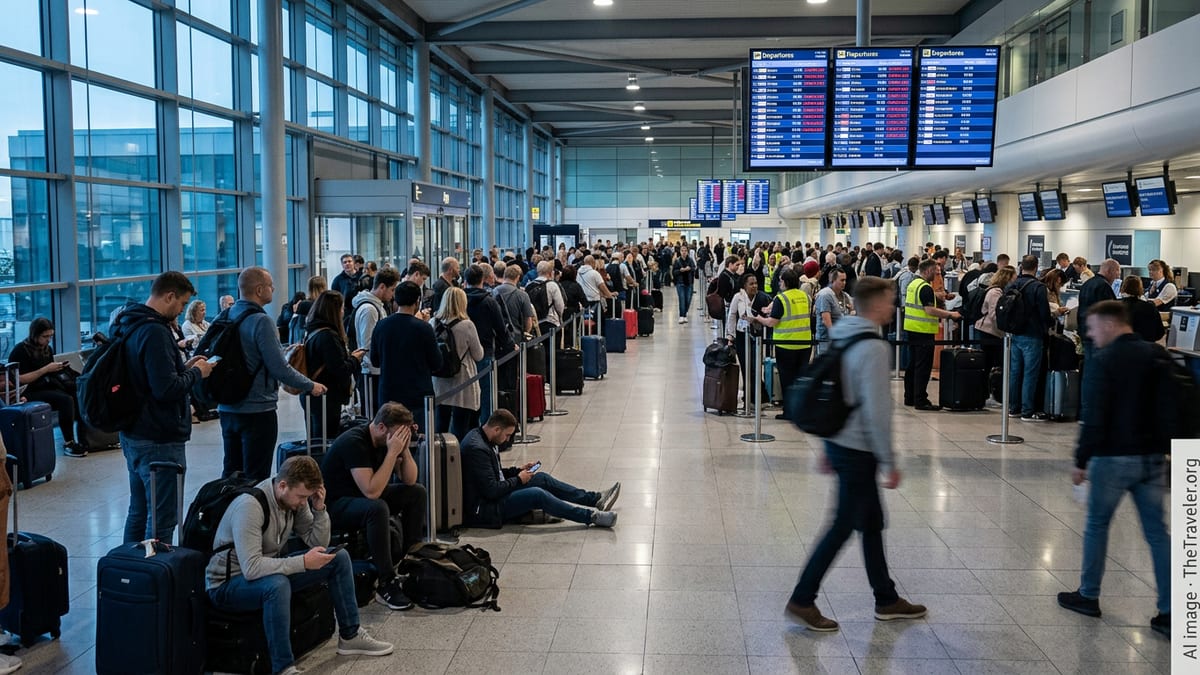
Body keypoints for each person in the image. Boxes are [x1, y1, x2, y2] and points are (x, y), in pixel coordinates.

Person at [785, 277, 925, 631]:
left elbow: (835, 392)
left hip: (840, 441)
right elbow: (877, 412)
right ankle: (803, 598)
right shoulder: (874, 348)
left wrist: (828, 445)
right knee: (842, 525)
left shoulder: (844, 334)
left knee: (871, 522)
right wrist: (889, 461)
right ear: (875, 304)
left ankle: (886, 598)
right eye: (889, 300)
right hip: (858, 449)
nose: (893, 307)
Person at [205, 456, 393, 675]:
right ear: (282, 485)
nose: (304, 503)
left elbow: (318, 543)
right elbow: (252, 568)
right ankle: (283, 668)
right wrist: (303, 562)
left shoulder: (293, 500)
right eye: (302, 497)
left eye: (307, 497)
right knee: (277, 585)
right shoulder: (250, 507)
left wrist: (320, 509)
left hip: (268, 571)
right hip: (228, 585)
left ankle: (350, 636)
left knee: (337, 557)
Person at [1057, 300, 1170, 639]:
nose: (1090, 335)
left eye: (1092, 328)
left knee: (1097, 524)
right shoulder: (1156, 355)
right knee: (1157, 534)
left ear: (1109, 324)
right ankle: (1170, 611)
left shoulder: (1105, 361)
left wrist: (1081, 460)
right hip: (1152, 457)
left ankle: (1088, 595)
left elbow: (1095, 417)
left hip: (1113, 457)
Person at [114, 272, 215, 543]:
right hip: (159, 438)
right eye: (182, 303)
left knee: (138, 511)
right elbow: (166, 390)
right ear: (169, 296)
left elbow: (150, 377)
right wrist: (198, 373)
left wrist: (184, 368)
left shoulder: (130, 323)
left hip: (134, 431)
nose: (182, 310)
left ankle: (131, 562)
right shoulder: (155, 332)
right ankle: (156, 565)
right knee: (162, 518)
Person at [220, 267, 327, 481]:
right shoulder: (262, 321)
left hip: (228, 407)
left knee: (231, 472)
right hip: (257, 409)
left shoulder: (225, 316)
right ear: (259, 290)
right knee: (256, 475)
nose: (274, 289)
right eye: (270, 285)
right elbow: (279, 368)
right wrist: (311, 385)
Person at [322, 403, 426, 611]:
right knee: (377, 507)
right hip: (335, 505)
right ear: (380, 427)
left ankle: (411, 560)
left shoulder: (388, 441)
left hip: (364, 497)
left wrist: (404, 451)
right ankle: (386, 582)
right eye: (398, 434)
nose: (399, 439)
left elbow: (409, 479)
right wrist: (392, 454)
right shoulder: (355, 442)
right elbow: (371, 491)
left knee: (416, 492)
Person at [460, 409, 619, 528]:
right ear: (497, 429)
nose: (507, 440)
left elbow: (494, 473)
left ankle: (595, 499)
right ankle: (590, 517)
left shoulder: (485, 439)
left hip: (493, 496)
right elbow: (491, 490)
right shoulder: (478, 449)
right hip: (485, 509)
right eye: (507, 435)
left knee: (542, 478)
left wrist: (518, 471)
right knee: (537, 494)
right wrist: (518, 480)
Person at [8, 318, 87, 457]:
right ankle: (69, 442)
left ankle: (85, 438)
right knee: (65, 400)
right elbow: (18, 380)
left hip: (45, 386)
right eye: (45, 336)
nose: (48, 340)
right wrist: (46, 369)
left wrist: (59, 367)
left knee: (75, 394)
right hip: (28, 391)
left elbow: (49, 371)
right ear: (35, 334)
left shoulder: (47, 349)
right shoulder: (20, 351)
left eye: (50, 336)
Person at [371, 282, 442, 432]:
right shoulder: (424, 328)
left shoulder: (381, 326)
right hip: (418, 394)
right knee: (420, 438)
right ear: (417, 301)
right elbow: (437, 363)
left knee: (389, 437)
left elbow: (375, 361)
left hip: (388, 393)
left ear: (396, 300)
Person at [301, 291, 366, 439]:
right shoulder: (328, 336)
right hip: (326, 396)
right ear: (334, 311)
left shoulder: (312, 331)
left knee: (315, 440)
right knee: (326, 439)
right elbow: (340, 369)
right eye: (341, 308)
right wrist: (355, 359)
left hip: (313, 394)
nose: (343, 312)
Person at [903, 260, 962, 411]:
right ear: (928, 270)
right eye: (935, 272)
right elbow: (929, 310)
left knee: (912, 365)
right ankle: (921, 400)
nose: (937, 275)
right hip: (923, 331)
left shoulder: (914, 284)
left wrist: (942, 296)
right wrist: (950, 314)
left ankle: (909, 397)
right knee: (923, 367)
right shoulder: (925, 287)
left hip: (911, 329)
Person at [1004, 255, 1055, 421]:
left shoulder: (1012, 284)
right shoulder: (1038, 287)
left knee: (1015, 372)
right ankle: (1027, 411)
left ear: (1021, 266)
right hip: (1032, 335)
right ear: (1036, 267)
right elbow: (1044, 313)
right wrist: (1051, 323)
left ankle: (1013, 408)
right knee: (1030, 374)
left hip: (1014, 333)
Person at [431, 287, 484, 441]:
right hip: (463, 379)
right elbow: (478, 355)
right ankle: (460, 453)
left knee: (440, 422)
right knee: (462, 424)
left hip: (439, 379)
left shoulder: (433, 322)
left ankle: (441, 452)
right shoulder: (467, 325)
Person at [760, 268, 813, 420]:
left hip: (786, 344)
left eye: (781, 280)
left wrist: (759, 319)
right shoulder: (805, 296)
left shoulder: (781, 298)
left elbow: (772, 322)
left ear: (786, 282)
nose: (779, 283)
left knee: (787, 380)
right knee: (800, 378)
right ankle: (801, 409)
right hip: (805, 343)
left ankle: (789, 411)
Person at [725, 273, 772, 402]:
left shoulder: (762, 297)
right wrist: (730, 336)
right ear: (744, 285)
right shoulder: (738, 297)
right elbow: (732, 316)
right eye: (751, 284)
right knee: (745, 366)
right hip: (741, 336)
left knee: (755, 366)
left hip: (757, 337)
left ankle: (757, 395)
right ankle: (748, 394)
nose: (754, 286)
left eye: (756, 283)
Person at [974, 266, 1016, 376]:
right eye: (1013, 278)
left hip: (992, 331)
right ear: (1007, 278)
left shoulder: (997, 291)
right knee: (989, 363)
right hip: (989, 332)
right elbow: (995, 315)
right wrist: (1007, 328)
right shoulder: (995, 292)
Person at [814, 268, 852, 355]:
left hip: (841, 339)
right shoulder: (825, 295)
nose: (844, 283)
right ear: (833, 280)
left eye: (845, 280)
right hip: (826, 341)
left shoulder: (845, 296)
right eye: (842, 280)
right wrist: (835, 335)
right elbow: (826, 320)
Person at [1118, 276, 1166, 343]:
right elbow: (1159, 333)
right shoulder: (1150, 307)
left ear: (1123, 288)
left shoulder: (1116, 306)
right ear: (1140, 288)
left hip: (1122, 346)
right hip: (1146, 346)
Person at [672, 245, 696, 323]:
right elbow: (674, 272)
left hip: (689, 283)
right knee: (682, 299)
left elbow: (694, 268)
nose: (684, 252)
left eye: (685, 251)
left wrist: (690, 269)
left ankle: (685, 313)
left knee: (688, 299)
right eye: (682, 251)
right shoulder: (677, 261)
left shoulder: (690, 260)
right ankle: (682, 316)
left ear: (687, 252)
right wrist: (680, 270)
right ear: (680, 252)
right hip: (680, 283)